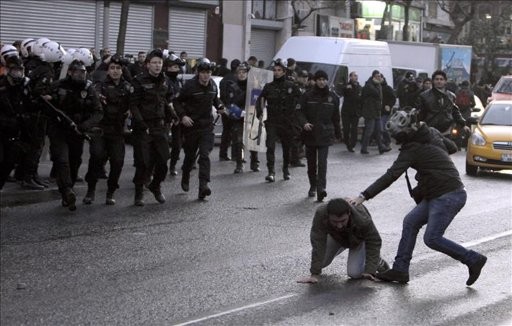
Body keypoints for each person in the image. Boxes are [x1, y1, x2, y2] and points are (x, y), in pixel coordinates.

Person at [349, 108, 487, 286]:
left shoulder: (413, 148)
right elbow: (451, 148)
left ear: (406, 132)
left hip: (449, 194)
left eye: (397, 135)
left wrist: (363, 196)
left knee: (432, 238)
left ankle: (473, 259)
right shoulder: (430, 132)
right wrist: (434, 152)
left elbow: (391, 175)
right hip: (437, 193)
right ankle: (400, 270)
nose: (396, 139)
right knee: (410, 221)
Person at [48, 60, 103, 211]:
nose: (80, 75)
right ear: (70, 72)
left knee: (74, 161)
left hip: (77, 130)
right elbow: (44, 104)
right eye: (77, 72)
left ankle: (68, 189)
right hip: (59, 130)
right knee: (62, 160)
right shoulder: (58, 86)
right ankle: (67, 191)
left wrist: (85, 126)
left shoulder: (88, 88)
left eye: (83, 72)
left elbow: (98, 112)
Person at [297, 198, 390, 284]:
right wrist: (314, 274)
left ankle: (377, 260)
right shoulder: (321, 213)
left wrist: (370, 270)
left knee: (354, 273)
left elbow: (374, 240)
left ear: (349, 213)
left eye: (343, 221)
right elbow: (318, 241)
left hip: (358, 241)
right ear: (328, 215)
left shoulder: (361, 216)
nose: (339, 226)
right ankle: (368, 258)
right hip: (337, 238)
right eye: (335, 222)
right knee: (320, 263)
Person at [82, 54, 132, 205]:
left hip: (117, 131)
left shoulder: (128, 87)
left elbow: (135, 103)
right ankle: (91, 189)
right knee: (96, 157)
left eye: (118, 68)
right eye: (112, 68)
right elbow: (93, 102)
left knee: (117, 162)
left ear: (122, 70)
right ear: (108, 70)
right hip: (101, 129)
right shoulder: (100, 85)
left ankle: (110, 192)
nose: (115, 71)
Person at [173, 58, 224, 200]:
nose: (205, 75)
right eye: (202, 72)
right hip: (191, 127)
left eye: (208, 72)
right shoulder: (189, 86)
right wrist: (183, 116)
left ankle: (203, 186)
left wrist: (220, 107)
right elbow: (176, 101)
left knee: (204, 155)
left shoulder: (213, 85)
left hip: (207, 126)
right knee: (190, 156)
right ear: (198, 73)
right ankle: (185, 175)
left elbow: (215, 100)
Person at [129, 49, 175, 206]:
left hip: (160, 126)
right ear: (148, 64)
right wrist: (141, 124)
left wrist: (172, 116)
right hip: (144, 127)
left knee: (163, 160)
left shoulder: (165, 80)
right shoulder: (139, 81)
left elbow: (166, 101)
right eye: (154, 63)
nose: (157, 66)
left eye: (159, 63)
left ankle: (155, 185)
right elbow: (133, 105)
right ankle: (139, 192)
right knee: (143, 162)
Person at [297, 70, 341, 201]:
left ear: (327, 81)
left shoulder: (333, 97)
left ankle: (321, 188)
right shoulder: (307, 96)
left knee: (322, 163)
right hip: (310, 134)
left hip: (325, 134)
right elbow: (299, 112)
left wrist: (338, 133)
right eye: (319, 79)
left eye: (324, 79)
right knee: (311, 164)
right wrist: (304, 123)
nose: (322, 82)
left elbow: (336, 117)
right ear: (315, 81)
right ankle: (313, 186)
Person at [256, 58, 302, 182]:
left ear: (284, 71)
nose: (276, 72)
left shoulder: (291, 86)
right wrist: (259, 113)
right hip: (272, 121)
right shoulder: (269, 86)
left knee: (286, 148)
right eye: (275, 70)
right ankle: (271, 172)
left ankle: (285, 169)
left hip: (286, 122)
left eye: (279, 70)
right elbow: (260, 100)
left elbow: (301, 101)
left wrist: (297, 117)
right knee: (270, 146)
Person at [220, 62, 259, 173]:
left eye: (244, 72)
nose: (241, 74)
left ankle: (255, 162)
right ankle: (240, 163)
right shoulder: (232, 86)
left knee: (252, 140)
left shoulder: (253, 86)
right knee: (238, 141)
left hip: (251, 115)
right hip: (238, 117)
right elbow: (228, 101)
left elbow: (257, 101)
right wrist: (234, 110)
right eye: (239, 72)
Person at [0, 57, 32, 190]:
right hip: (1, 130)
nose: (18, 73)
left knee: (9, 162)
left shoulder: (24, 87)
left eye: (20, 70)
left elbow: (29, 105)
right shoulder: (2, 87)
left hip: (15, 132)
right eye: (15, 70)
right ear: (7, 70)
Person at [415, 70, 468, 135]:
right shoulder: (424, 96)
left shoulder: (451, 96)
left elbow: (455, 112)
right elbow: (420, 114)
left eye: (441, 79)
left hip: (447, 131)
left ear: (445, 81)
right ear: (433, 81)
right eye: (437, 79)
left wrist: (463, 124)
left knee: (452, 145)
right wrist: (417, 124)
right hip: (430, 131)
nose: (439, 81)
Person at [360, 70, 391, 155]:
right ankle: (364, 148)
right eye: (377, 76)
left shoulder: (377, 84)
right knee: (369, 131)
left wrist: (379, 84)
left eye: (380, 76)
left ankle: (381, 147)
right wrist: (379, 84)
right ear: (373, 77)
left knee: (378, 130)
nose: (379, 78)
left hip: (376, 111)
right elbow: (377, 94)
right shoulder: (369, 85)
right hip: (370, 112)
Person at [164, 53, 186, 176]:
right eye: (172, 67)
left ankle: (172, 166)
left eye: (177, 67)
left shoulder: (179, 82)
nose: (175, 69)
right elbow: (165, 100)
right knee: (163, 144)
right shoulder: (163, 81)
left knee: (177, 145)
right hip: (166, 117)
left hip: (178, 117)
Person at [341, 71, 362, 153]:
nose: (356, 77)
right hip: (346, 112)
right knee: (346, 129)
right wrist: (347, 88)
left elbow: (361, 100)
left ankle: (352, 145)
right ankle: (347, 142)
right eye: (354, 76)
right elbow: (343, 92)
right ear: (350, 77)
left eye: (357, 76)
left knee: (354, 130)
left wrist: (360, 111)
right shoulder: (346, 86)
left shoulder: (360, 87)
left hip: (355, 112)